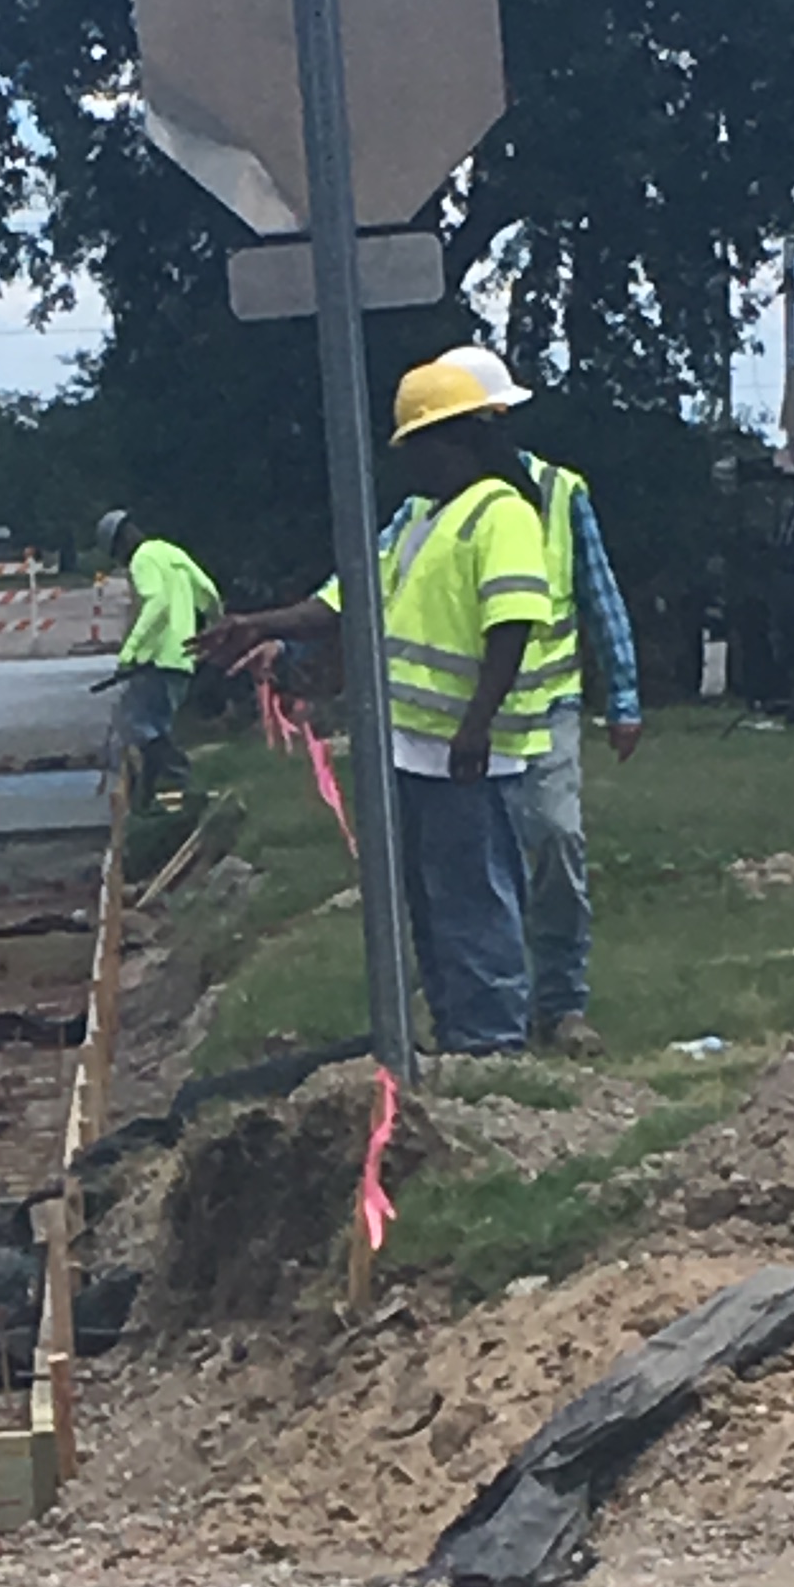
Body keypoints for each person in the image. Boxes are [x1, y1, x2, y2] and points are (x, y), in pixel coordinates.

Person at [200, 346, 638, 1056]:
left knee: (476, 900)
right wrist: (263, 626)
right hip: (415, 748)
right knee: (436, 905)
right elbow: (345, 603)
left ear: (462, 440)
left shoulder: (501, 514)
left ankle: (494, 1041)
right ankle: (459, 1028)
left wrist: (477, 726)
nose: (411, 462)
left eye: (422, 446)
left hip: (468, 751)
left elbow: (511, 627)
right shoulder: (418, 521)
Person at [90, 506, 222, 810]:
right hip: (182, 660)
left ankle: (181, 778)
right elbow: (208, 591)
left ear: (119, 543)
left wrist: (130, 651)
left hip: (155, 660)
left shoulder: (142, 559)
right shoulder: (169, 551)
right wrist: (217, 628)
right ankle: (145, 800)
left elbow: (157, 603)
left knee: (137, 725)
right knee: (153, 729)